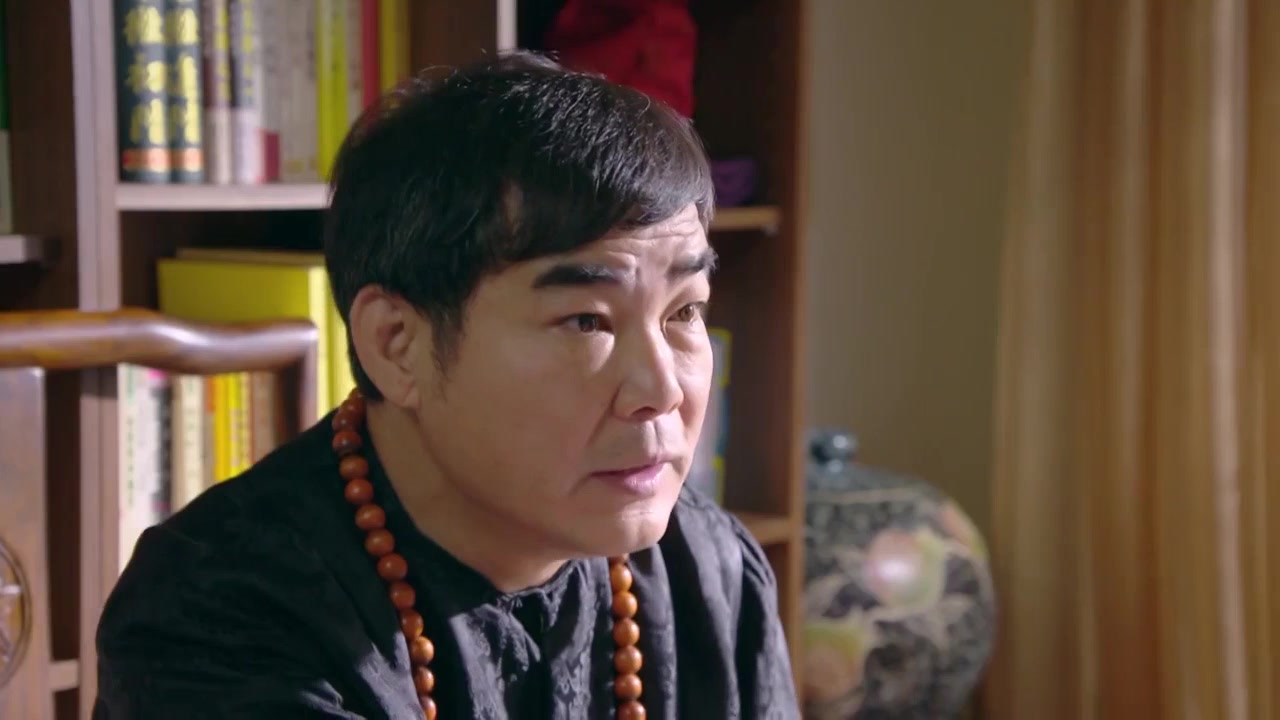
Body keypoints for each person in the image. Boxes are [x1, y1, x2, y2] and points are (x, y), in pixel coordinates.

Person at [92, 51, 798, 719]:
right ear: (397, 345)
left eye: (684, 312)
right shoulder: (216, 616)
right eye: (587, 320)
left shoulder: (710, 572)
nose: (661, 389)